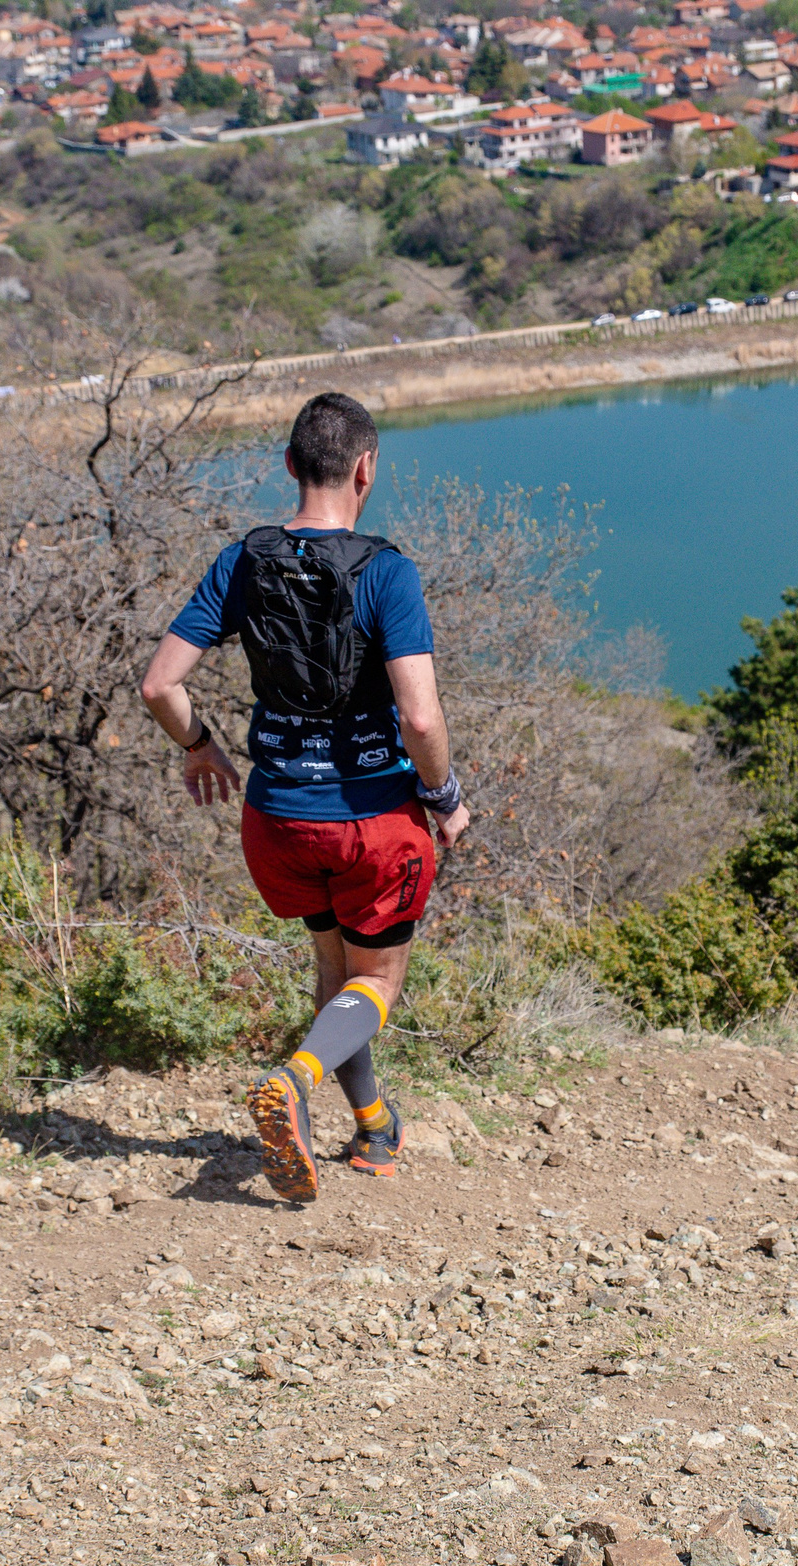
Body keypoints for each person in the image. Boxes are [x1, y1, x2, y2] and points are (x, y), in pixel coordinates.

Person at [139, 392, 471, 1205]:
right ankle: (293, 1081)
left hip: (277, 820)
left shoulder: (242, 561)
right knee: (378, 981)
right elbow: (421, 716)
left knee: (335, 967)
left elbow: (158, 685)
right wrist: (447, 796)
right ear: (366, 468)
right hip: (373, 824)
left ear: (289, 465)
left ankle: (373, 1129)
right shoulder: (385, 570)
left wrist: (199, 748)